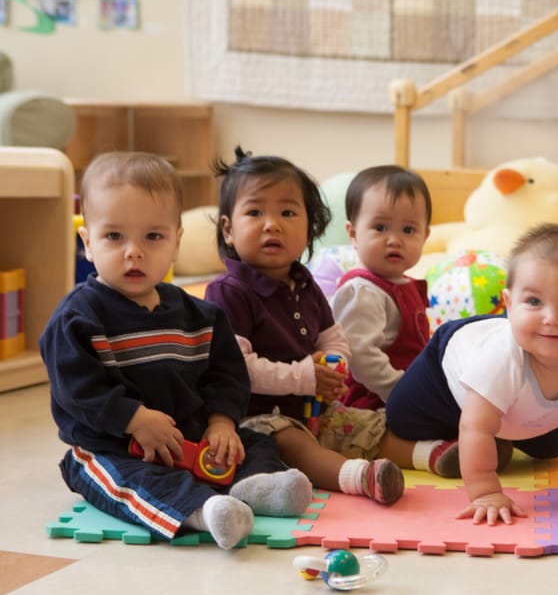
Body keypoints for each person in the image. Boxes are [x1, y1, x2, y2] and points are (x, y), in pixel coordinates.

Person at [40, 151, 313, 550]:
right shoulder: (78, 317)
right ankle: (203, 512)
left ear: (176, 243)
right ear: (88, 242)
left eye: (153, 237)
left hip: (192, 435)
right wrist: (133, 419)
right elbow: (76, 388)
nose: (134, 251)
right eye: (114, 236)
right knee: (125, 478)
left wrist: (220, 422)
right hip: (115, 446)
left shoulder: (200, 314)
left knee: (253, 440)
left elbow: (226, 374)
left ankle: (260, 488)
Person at [385, 223, 558, 525]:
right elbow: (474, 428)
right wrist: (485, 491)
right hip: (448, 370)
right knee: (401, 417)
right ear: (509, 305)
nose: (551, 319)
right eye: (534, 302)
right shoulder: (500, 360)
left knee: (556, 446)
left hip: (516, 413)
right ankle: (449, 443)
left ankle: (498, 438)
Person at [205, 147, 404, 505]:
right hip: (254, 418)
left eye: (287, 212)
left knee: (369, 425)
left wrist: (335, 364)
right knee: (292, 443)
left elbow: (333, 335)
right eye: (254, 212)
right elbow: (237, 369)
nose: (272, 223)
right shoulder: (228, 292)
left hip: (314, 408)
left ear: (310, 229)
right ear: (228, 230)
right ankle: (360, 478)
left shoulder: (305, 282)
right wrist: (306, 376)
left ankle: (433, 454)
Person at [330, 165, 432, 410]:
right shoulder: (362, 291)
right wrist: (404, 393)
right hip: (373, 400)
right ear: (353, 234)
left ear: (426, 236)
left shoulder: (403, 283)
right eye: (380, 228)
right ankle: (427, 449)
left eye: (408, 230)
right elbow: (362, 358)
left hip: (407, 390)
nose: (395, 240)